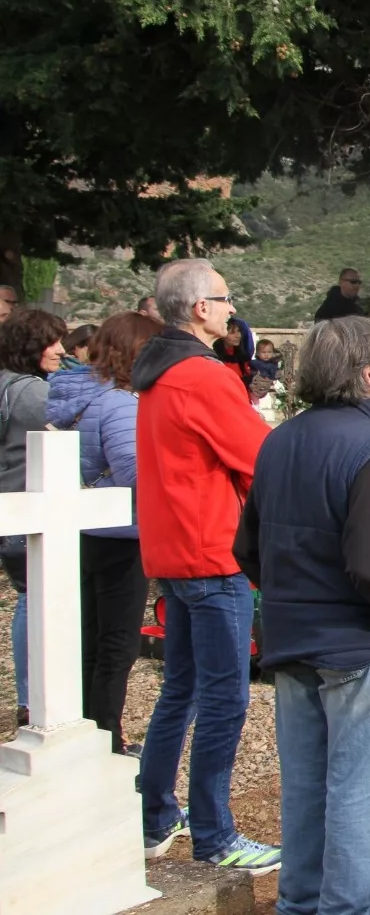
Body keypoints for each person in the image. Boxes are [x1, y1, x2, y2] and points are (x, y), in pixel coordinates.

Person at [235, 316, 370, 915]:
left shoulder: (278, 441)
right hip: (356, 643)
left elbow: (247, 548)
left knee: (305, 789)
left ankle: (298, 905)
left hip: (293, 637)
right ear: (369, 372)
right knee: (358, 790)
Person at [133, 258, 280, 871]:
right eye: (224, 298)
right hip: (212, 552)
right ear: (199, 308)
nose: (231, 308)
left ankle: (156, 812)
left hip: (173, 548)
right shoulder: (204, 376)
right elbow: (260, 455)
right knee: (226, 698)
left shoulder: (155, 375)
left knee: (182, 689)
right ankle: (215, 835)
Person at [47, 312, 164, 754]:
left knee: (92, 638)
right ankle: (105, 739)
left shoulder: (78, 395)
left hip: (90, 529)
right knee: (116, 643)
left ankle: (87, 730)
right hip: (120, 533)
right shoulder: (119, 403)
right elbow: (134, 473)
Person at [0, 308, 67, 727]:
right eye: (51, 342)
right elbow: (72, 426)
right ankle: (33, 697)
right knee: (34, 600)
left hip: (13, 513)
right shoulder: (30, 394)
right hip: (29, 514)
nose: (60, 350)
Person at [214, 317, 256, 391]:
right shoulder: (214, 358)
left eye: (238, 331)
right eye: (233, 332)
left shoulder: (242, 356)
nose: (238, 335)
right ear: (222, 335)